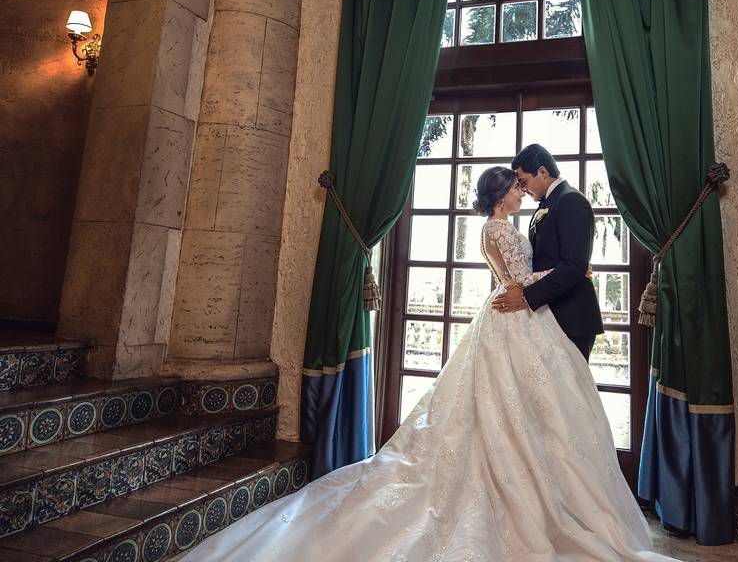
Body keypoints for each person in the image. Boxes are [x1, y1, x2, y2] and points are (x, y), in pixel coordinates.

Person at [181, 166, 675, 562]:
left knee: (512, 405)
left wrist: (562, 270)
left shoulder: (497, 226)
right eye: (517, 188)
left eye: (524, 185)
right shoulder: (501, 229)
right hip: (515, 313)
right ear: (503, 196)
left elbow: (524, 277)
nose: (523, 193)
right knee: (519, 406)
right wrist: (576, 269)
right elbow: (524, 277)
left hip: (511, 312)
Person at [492, 144, 604, 361]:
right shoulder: (548, 203)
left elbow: (573, 265)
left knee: (570, 393)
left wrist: (526, 297)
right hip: (548, 314)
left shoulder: (571, 200)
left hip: (571, 316)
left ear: (542, 172)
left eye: (523, 182)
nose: (523, 190)